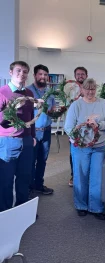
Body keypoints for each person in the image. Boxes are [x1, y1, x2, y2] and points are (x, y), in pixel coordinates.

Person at [64, 78, 105, 218]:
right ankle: (81, 205)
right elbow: (68, 127)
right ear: (82, 90)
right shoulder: (76, 105)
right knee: (81, 175)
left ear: (96, 89)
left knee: (97, 176)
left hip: (99, 146)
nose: (90, 91)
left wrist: (98, 124)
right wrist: (77, 137)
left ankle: (95, 207)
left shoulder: (103, 103)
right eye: (87, 88)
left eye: (93, 88)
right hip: (81, 146)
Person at [0, 61, 36, 212]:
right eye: (18, 71)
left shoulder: (29, 93)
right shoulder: (3, 92)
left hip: (27, 141)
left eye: (25, 71)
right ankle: (5, 211)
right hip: (8, 141)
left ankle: (22, 210)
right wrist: (13, 110)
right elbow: (1, 121)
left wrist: (33, 136)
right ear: (11, 72)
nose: (22, 74)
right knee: (6, 180)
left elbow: (31, 117)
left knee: (24, 177)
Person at [27, 64, 55, 195]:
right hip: (32, 132)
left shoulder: (50, 93)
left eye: (45, 75)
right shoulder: (28, 91)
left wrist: (55, 112)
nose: (43, 77)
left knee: (42, 160)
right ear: (35, 75)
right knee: (30, 160)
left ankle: (39, 184)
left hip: (47, 131)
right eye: (40, 74)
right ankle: (29, 186)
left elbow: (52, 110)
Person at [68, 66, 88, 187]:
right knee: (74, 152)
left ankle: (86, 175)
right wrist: (78, 96)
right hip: (75, 127)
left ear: (86, 75)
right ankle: (74, 175)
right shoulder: (70, 89)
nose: (80, 76)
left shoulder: (91, 89)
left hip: (89, 127)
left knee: (87, 151)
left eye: (83, 74)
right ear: (75, 76)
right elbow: (68, 104)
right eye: (78, 74)